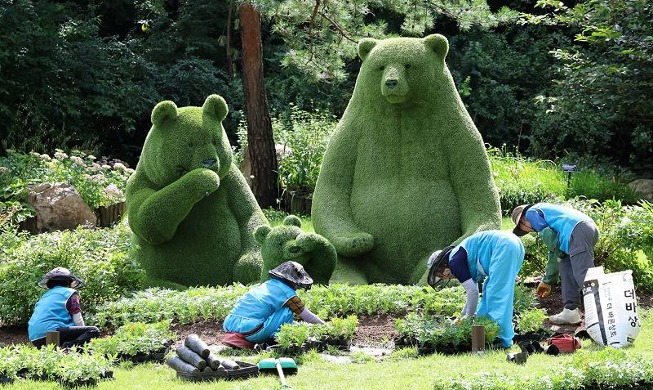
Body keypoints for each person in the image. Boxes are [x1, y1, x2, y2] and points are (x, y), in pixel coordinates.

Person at [427, 230, 525, 348]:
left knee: (497, 295)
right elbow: (472, 294)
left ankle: (501, 340)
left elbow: (473, 292)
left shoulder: (454, 262)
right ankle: (487, 331)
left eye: (439, 272)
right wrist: (462, 315)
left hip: (503, 246)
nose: (443, 276)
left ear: (442, 263)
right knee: (489, 289)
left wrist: (468, 317)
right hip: (513, 244)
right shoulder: (458, 255)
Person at [512, 203, 599, 325]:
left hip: (577, 230)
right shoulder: (543, 211)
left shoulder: (531, 213)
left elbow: (553, 247)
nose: (528, 231)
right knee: (565, 264)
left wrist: (547, 280)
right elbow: (557, 250)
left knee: (584, 275)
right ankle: (571, 311)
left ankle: (603, 313)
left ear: (522, 220)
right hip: (582, 229)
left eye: (523, 228)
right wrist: (547, 281)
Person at [222, 261, 325, 349]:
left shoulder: (267, 284)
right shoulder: (288, 294)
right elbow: (308, 317)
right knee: (288, 310)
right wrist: (326, 327)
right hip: (251, 330)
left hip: (229, 324)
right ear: (293, 281)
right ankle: (271, 342)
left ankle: (237, 337)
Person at [28, 267, 100, 348]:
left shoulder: (45, 296)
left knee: (70, 340)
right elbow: (78, 319)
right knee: (93, 331)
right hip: (53, 333)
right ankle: (67, 348)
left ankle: (65, 348)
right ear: (68, 282)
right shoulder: (69, 292)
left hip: (35, 338)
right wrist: (83, 335)